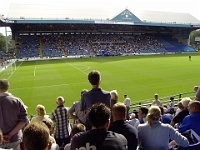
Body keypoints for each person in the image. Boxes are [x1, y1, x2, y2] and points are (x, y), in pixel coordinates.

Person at [0, 79, 29, 150]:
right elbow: (24, 120)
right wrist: (9, 135)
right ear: (7, 87)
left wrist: (2, 138)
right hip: (15, 140)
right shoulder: (16, 101)